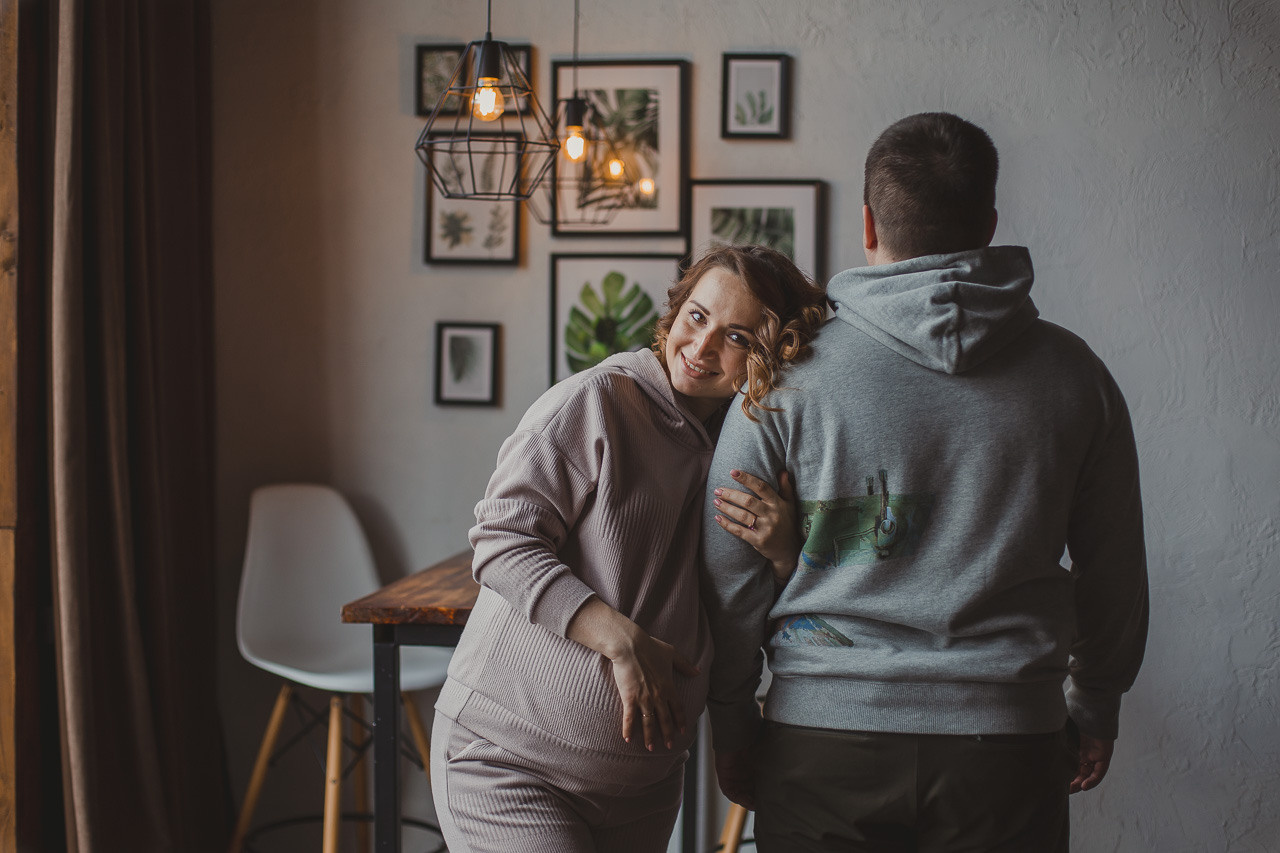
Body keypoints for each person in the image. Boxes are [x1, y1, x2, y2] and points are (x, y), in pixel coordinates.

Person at [701, 112, 1150, 852]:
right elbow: (1115, 572)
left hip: (821, 740)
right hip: (1007, 746)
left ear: (869, 223)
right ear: (990, 222)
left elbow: (730, 572)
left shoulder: (784, 378)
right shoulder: (1077, 377)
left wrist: (733, 720)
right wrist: (1095, 704)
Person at [429, 245, 828, 853]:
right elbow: (500, 539)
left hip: (643, 787)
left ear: (773, 352)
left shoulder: (749, 444)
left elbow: (734, 607)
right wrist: (619, 639)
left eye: (738, 337)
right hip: (508, 763)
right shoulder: (598, 401)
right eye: (697, 317)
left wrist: (780, 553)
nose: (702, 347)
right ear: (675, 312)